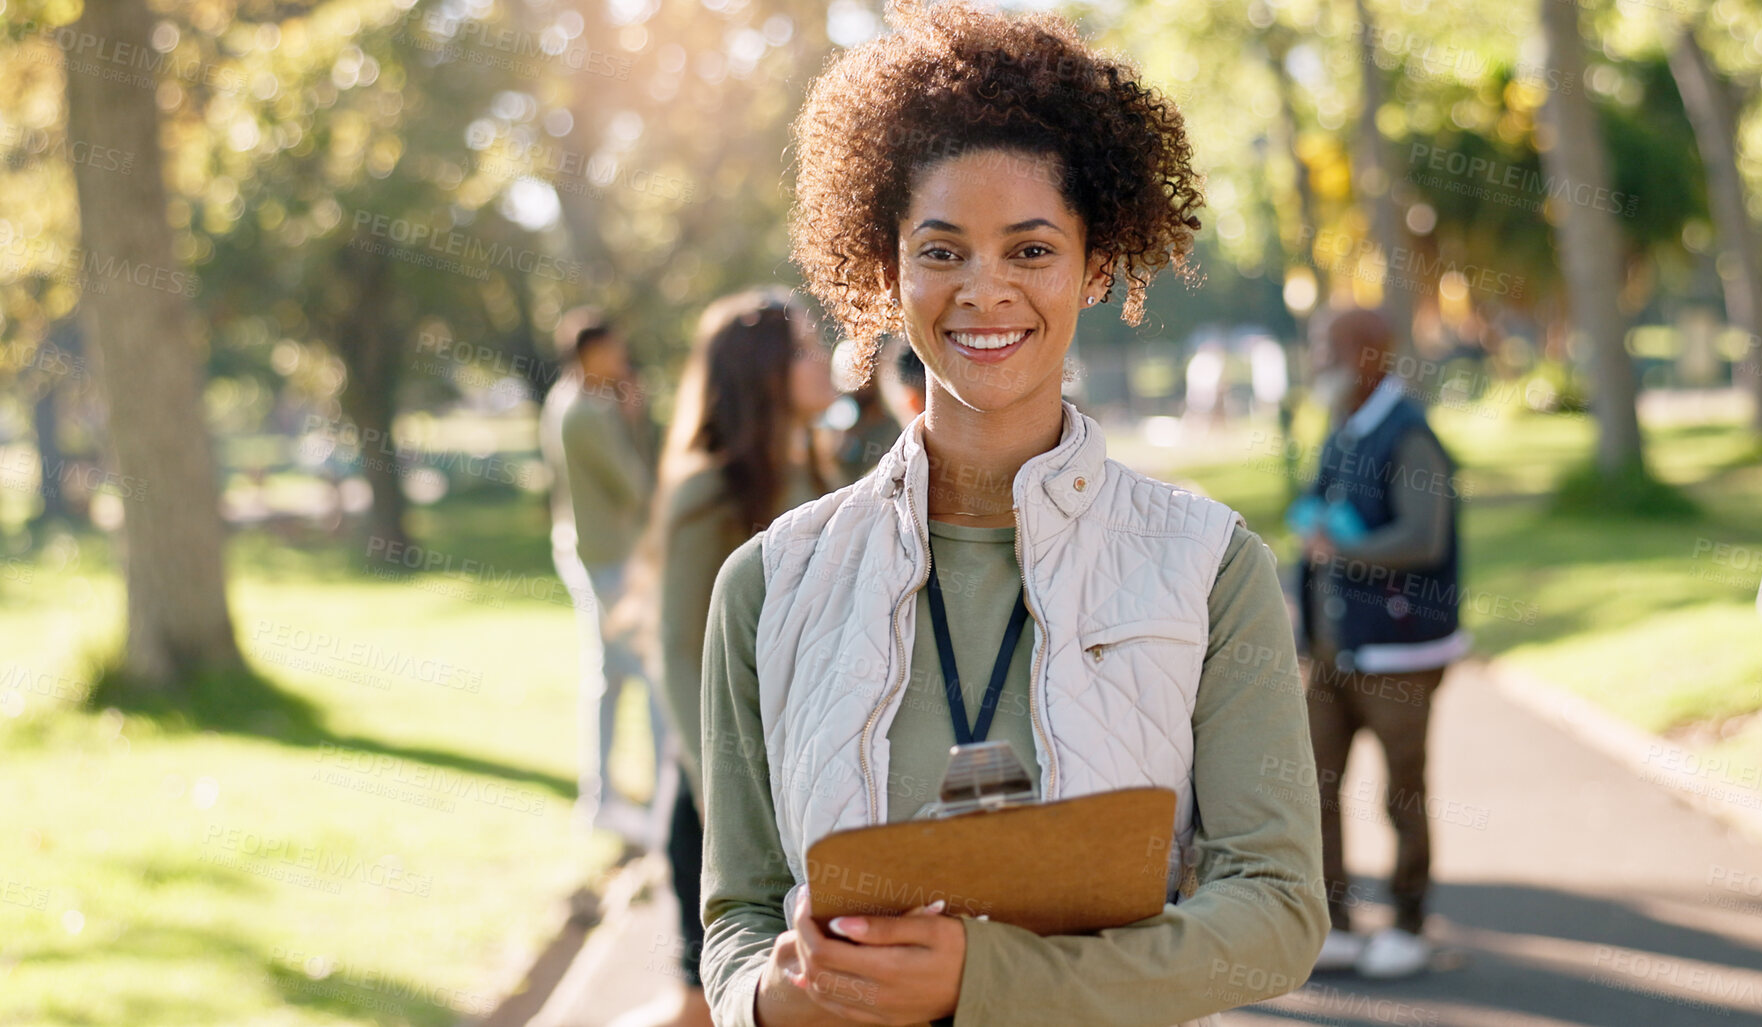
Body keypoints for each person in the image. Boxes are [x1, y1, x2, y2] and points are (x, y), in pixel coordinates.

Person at [697, 5, 1329, 1025]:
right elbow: (735, 916)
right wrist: (771, 999)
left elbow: (1278, 910)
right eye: (942, 251)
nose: (983, 292)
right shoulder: (768, 584)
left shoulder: (1211, 568)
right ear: (887, 267)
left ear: (1094, 266)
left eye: (1030, 251)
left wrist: (985, 982)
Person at [625, 288, 837, 1027]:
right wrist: (721, 787)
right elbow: (675, 650)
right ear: (764, 373)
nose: (825, 361)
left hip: (802, 790)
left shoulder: (822, 476)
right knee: (700, 1007)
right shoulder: (710, 494)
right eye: (807, 348)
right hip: (721, 800)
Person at [1292, 307, 1469, 979]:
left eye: (1326, 346)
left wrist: (1342, 547)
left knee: (1401, 792)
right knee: (1312, 784)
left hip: (1396, 655)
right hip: (1334, 652)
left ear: (1367, 354)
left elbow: (1424, 538)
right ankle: (1333, 922)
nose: (1316, 359)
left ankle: (1407, 921)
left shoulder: (1409, 435)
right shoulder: (1341, 426)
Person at [537, 317, 662, 844]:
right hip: (609, 557)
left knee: (609, 678)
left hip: (591, 551)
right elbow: (634, 486)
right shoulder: (589, 412)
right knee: (652, 678)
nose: (621, 360)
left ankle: (604, 798)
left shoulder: (564, 401)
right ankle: (658, 802)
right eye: (612, 351)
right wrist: (633, 419)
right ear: (589, 353)